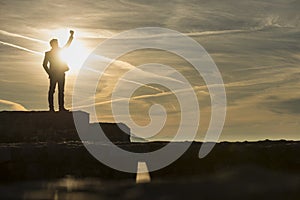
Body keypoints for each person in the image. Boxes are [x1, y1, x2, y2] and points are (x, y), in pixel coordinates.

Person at [43, 30, 74, 112]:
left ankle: (61, 108)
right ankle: (51, 108)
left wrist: (71, 36)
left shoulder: (60, 51)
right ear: (52, 45)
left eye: (57, 43)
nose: (57, 44)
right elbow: (44, 65)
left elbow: (67, 45)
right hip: (53, 74)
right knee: (52, 91)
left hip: (61, 73)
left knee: (61, 91)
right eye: (56, 43)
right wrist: (49, 73)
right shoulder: (48, 54)